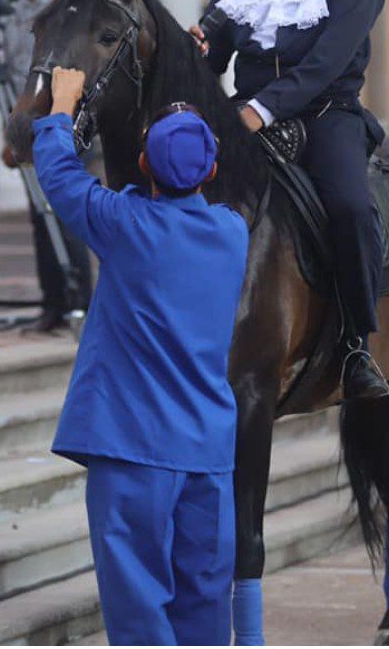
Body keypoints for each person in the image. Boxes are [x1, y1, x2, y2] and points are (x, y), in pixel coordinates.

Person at [31, 68, 246, 646]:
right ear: (213, 171)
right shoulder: (231, 233)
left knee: (137, 612)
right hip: (207, 454)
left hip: (132, 451)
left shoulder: (124, 224)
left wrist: (62, 106)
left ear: (144, 166)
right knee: (204, 608)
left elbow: (58, 175)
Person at [191, 0, 389, 401]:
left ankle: (357, 346)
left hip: (328, 115)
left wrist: (259, 108)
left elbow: (327, 62)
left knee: (351, 206)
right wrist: (197, 52)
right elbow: (217, 54)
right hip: (246, 117)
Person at [2, 0, 91, 332]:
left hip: (62, 117)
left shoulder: (64, 8)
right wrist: (10, 132)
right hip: (25, 120)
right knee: (40, 218)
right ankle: (52, 304)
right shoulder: (10, 10)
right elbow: (6, 73)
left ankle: (82, 302)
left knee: (67, 211)